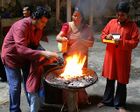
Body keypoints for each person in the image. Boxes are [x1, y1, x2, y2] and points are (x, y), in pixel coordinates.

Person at [1, 6, 58, 112]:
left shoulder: (39, 29)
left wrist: (48, 55)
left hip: (25, 57)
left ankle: (32, 106)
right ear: (34, 18)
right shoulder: (21, 26)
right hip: (11, 57)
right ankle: (14, 110)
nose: (44, 25)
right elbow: (21, 49)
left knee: (30, 82)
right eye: (42, 22)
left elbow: (35, 45)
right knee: (15, 85)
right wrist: (43, 53)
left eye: (45, 23)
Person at [98, 1, 139, 112]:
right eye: (118, 14)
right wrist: (107, 36)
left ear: (127, 15)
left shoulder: (133, 26)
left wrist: (120, 41)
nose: (119, 17)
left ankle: (120, 104)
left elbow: (134, 42)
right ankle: (107, 100)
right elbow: (102, 36)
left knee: (121, 81)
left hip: (123, 58)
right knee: (110, 79)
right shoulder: (111, 22)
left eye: (122, 15)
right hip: (111, 57)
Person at [56, 7, 94, 105]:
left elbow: (91, 43)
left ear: (82, 17)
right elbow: (58, 37)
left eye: (78, 16)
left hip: (82, 58)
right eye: (74, 15)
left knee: (80, 79)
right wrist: (63, 39)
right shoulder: (67, 26)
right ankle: (68, 102)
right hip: (69, 57)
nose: (75, 18)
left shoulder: (86, 28)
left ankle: (81, 100)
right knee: (68, 80)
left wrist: (81, 41)